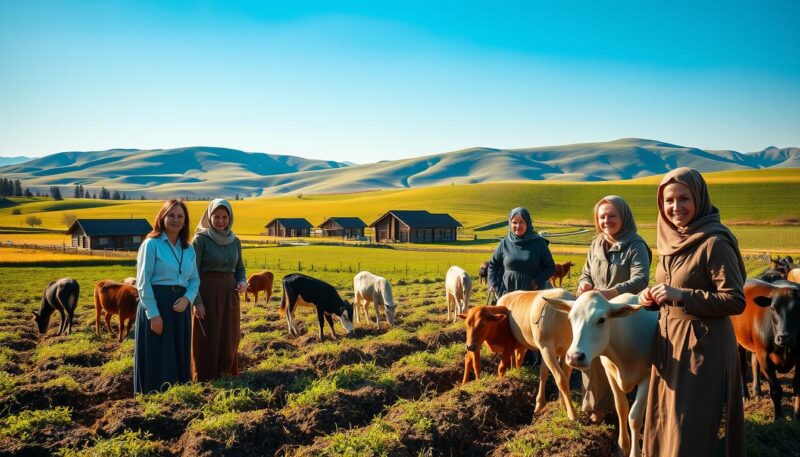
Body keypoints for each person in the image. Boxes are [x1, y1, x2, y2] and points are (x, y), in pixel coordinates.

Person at [640, 167, 746, 457]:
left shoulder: (715, 242)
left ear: (699, 198)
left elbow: (735, 300)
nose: (675, 208)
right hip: (668, 342)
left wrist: (682, 296)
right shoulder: (670, 241)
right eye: (668, 201)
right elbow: (671, 286)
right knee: (665, 421)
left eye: (683, 198)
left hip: (703, 346)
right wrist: (651, 296)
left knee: (689, 426)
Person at [577, 195, 651, 423]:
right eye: (601, 217)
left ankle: (638, 405)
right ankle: (598, 406)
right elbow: (586, 272)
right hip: (597, 310)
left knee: (627, 358)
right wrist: (584, 283)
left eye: (612, 216)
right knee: (590, 354)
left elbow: (640, 279)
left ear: (623, 217)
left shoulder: (636, 245)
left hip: (624, 312)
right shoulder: (596, 244)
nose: (606, 221)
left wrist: (612, 292)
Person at [134, 199, 200, 395]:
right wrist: (153, 314)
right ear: (162, 217)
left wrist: (188, 298)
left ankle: (178, 399)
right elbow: (143, 281)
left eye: (180, 216)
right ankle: (152, 400)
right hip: (157, 304)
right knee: (158, 356)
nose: (176, 220)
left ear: (185, 221)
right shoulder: (151, 244)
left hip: (180, 307)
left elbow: (195, 279)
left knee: (178, 355)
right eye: (171, 215)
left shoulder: (188, 248)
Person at [487, 207, 556, 365]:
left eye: (521, 222)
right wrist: (497, 287)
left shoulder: (538, 243)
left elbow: (550, 267)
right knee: (510, 326)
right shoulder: (505, 243)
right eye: (514, 222)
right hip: (508, 292)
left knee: (531, 325)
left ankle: (534, 362)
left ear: (528, 223)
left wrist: (537, 280)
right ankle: (509, 361)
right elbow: (493, 266)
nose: (517, 226)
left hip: (531, 291)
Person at [191, 198, 246, 381]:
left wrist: (242, 282)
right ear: (209, 216)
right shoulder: (200, 240)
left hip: (230, 293)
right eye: (216, 216)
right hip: (207, 292)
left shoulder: (235, 240)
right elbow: (193, 272)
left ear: (230, 218)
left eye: (224, 217)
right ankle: (204, 375)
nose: (220, 221)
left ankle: (226, 372)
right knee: (207, 333)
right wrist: (197, 301)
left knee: (229, 332)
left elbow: (240, 268)